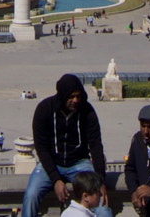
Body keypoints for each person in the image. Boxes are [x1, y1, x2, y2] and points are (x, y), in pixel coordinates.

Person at [26, 73, 111, 217]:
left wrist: (100, 181)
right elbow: (41, 149)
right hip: (51, 162)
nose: (76, 100)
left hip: (79, 163)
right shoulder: (44, 109)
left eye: (78, 96)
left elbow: (96, 146)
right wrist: (56, 180)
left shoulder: (87, 111)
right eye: (71, 97)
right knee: (31, 195)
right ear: (62, 96)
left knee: (101, 204)